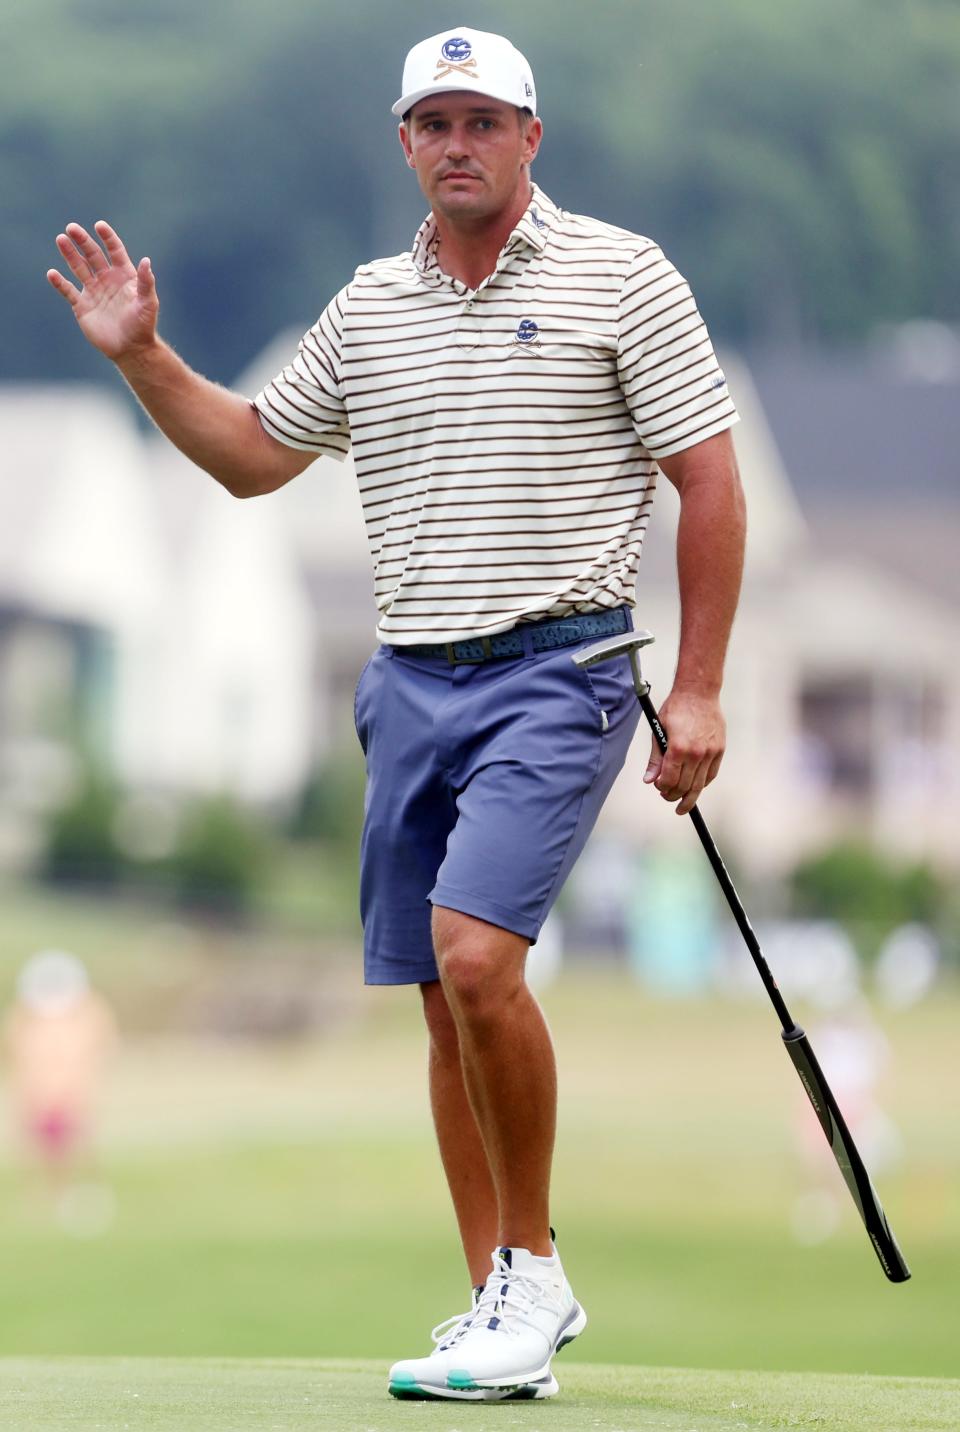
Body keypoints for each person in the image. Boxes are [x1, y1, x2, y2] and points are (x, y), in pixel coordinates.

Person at [47, 25, 746, 1402]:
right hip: (409, 679)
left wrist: (708, 685)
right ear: (405, 142)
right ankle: (500, 1307)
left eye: (484, 121)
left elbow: (710, 484)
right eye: (433, 123)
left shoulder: (623, 275)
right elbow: (254, 457)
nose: (458, 144)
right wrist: (142, 358)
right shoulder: (369, 307)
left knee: (478, 959)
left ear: (531, 138)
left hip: (563, 666)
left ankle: (534, 1272)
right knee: (442, 1000)